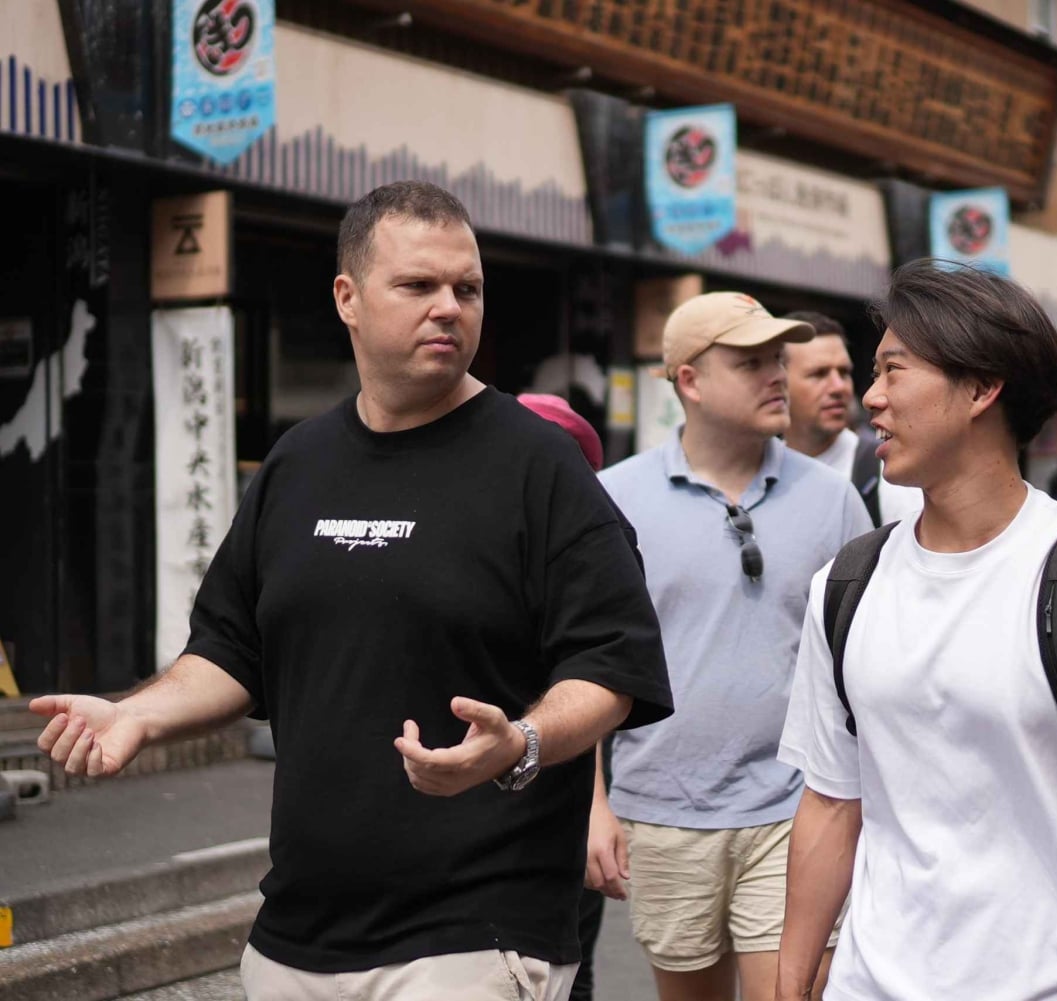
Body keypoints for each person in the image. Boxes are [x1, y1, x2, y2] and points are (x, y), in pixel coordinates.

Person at [32, 182, 674, 1001]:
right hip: (297, 935)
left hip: (473, 935)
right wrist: (136, 713)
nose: (448, 307)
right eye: (418, 286)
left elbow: (613, 661)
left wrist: (520, 739)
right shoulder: (296, 465)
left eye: (467, 289)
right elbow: (230, 649)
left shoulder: (539, 466)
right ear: (348, 297)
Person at [776, 261, 1057, 1001]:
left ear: (981, 388)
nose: (871, 398)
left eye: (894, 371)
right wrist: (787, 985)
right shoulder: (847, 584)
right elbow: (832, 801)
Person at [594, 292, 873, 1001]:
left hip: (797, 806)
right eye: (751, 361)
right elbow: (584, 663)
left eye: (777, 358)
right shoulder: (613, 498)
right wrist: (591, 803)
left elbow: (863, 660)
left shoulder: (834, 499)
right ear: (689, 380)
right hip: (660, 806)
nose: (775, 374)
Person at [516, 393, 613, 1001]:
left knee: (568, 971)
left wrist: (596, 809)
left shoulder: (585, 564)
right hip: (454, 815)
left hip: (558, 802)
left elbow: (596, 686)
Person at [782, 310, 923, 526]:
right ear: (778, 382)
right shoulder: (757, 473)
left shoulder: (885, 476)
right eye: (819, 374)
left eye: (844, 372)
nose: (839, 387)